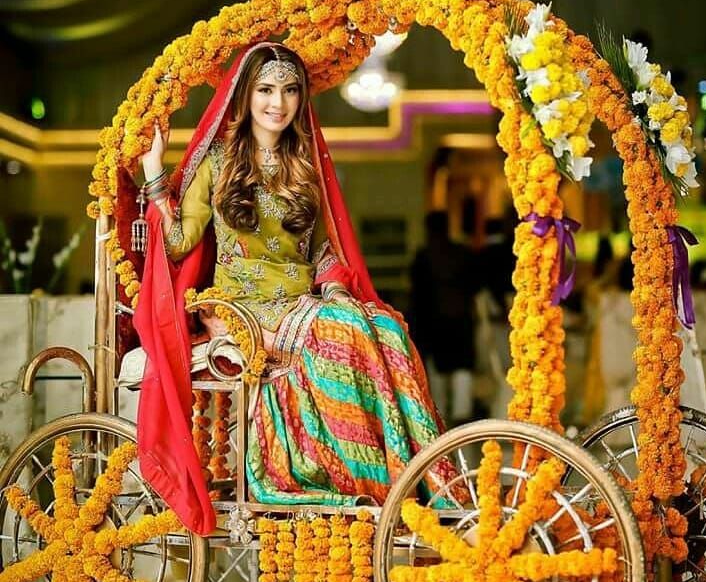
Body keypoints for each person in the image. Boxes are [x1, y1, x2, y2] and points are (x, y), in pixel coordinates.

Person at [134, 42, 458, 535]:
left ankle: (432, 484)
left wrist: (337, 290)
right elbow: (178, 243)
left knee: (388, 328)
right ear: (245, 96)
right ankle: (368, 482)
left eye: (289, 91)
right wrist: (155, 171)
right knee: (343, 330)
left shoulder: (303, 164)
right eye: (265, 89)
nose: (277, 103)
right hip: (241, 305)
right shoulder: (217, 163)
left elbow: (324, 251)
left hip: (301, 301)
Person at [409, 211, 479, 424]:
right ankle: (462, 418)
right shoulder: (463, 254)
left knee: (436, 372)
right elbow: (474, 287)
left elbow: (417, 293)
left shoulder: (423, 257)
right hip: (461, 320)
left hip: (433, 322)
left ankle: (439, 418)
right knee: (462, 368)